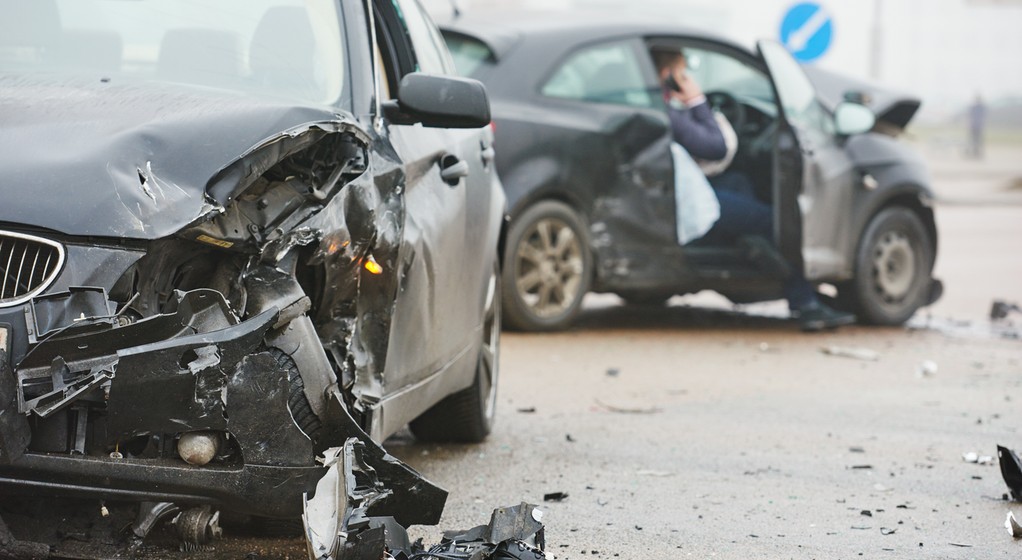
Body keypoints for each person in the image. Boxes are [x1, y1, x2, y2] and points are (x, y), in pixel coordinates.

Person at [651, 47, 855, 332]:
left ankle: (750, 247)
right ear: (668, 75)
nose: (686, 79)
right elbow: (715, 147)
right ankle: (805, 302)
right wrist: (697, 100)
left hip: (675, 191)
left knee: (739, 184)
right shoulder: (666, 113)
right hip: (682, 202)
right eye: (682, 73)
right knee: (775, 221)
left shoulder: (654, 107)